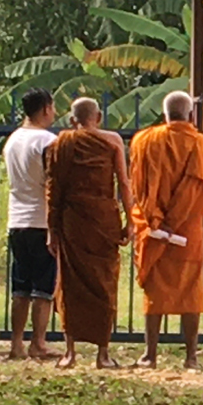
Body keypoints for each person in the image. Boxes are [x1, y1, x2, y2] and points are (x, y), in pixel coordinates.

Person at [128, 90, 203, 370]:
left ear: (164, 114)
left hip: (154, 227)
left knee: (154, 288)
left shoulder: (144, 141)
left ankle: (150, 354)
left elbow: (138, 186)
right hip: (188, 228)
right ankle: (191, 356)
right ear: (191, 115)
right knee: (190, 290)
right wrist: (179, 215)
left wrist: (159, 219)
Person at [45, 97, 133, 369]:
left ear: (72, 120)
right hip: (103, 218)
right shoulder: (112, 140)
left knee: (69, 285)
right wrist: (131, 220)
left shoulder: (61, 143)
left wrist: (51, 229)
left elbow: (53, 189)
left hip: (72, 220)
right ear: (99, 117)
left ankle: (70, 353)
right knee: (104, 283)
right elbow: (124, 183)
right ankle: (103, 354)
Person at [3, 88, 60, 361]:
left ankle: (16, 343)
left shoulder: (12, 140)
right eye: (53, 107)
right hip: (40, 221)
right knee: (43, 289)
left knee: (20, 286)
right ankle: (38, 342)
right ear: (46, 109)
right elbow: (52, 183)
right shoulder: (47, 141)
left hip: (16, 219)